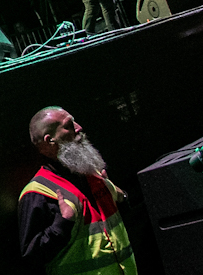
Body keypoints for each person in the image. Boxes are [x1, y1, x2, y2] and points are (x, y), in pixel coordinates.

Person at [18, 106, 137, 274]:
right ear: (50, 140)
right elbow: (31, 257)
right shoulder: (37, 192)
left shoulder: (92, 174)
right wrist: (62, 224)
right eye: (69, 125)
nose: (79, 128)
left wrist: (121, 197)